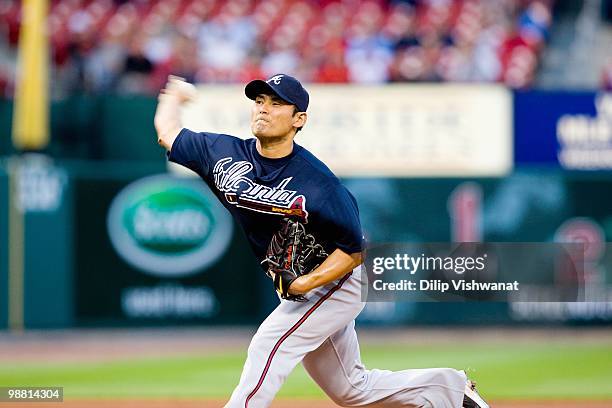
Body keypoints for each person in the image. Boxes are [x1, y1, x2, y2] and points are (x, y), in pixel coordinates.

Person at [154, 73, 489, 408]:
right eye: (259, 101)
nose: (263, 109)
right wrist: (173, 95)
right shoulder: (222, 152)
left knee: (269, 345)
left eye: (276, 103)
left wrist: (306, 283)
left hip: (337, 279)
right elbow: (168, 133)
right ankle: (451, 391)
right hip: (305, 282)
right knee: (350, 389)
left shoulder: (318, 183)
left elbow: (355, 249)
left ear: (299, 119)